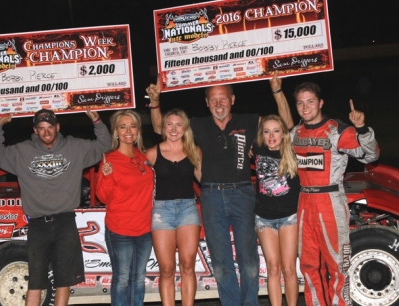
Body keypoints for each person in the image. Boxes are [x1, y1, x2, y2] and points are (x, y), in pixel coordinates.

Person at [146, 78, 290, 306]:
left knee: (250, 263)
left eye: (223, 98)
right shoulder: (197, 125)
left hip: (243, 193)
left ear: (233, 100)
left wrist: (277, 91)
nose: (219, 103)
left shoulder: (249, 120)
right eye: (213, 99)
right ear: (207, 103)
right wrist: (155, 102)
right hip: (211, 195)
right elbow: (159, 127)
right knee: (222, 265)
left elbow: (285, 124)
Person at [271, 74, 380, 306]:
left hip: (330, 201)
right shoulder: (295, 134)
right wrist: (277, 93)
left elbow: (371, 155)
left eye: (310, 101)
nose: (305, 107)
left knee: (338, 263)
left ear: (321, 103)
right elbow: (278, 131)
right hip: (303, 203)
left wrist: (362, 129)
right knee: (309, 265)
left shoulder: (337, 130)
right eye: (300, 103)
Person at [0, 107, 111, 306]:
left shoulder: (74, 147)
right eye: (41, 128)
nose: (46, 132)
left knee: (64, 280)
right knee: (35, 282)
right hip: (38, 224)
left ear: (57, 127)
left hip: (65, 221)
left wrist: (97, 121)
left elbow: (105, 145)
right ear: (35, 130)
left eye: (50, 127)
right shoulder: (22, 151)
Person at [96, 109, 154, 306]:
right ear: (116, 132)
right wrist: (106, 176)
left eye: (133, 126)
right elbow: (103, 197)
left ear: (138, 130)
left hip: (145, 229)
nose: (128, 131)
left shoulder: (143, 157)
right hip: (120, 230)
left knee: (138, 278)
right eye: (123, 127)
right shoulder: (109, 159)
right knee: (122, 278)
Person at [145, 108, 202, 306]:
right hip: (161, 212)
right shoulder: (152, 153)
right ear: (163, 127)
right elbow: (136, 178)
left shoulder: (194, 150)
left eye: (179, 124)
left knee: (188, 266)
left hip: (188, 209)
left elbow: (206, 179)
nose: (174, 129)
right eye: (169, 124)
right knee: (167, 269)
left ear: (185, 127)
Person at [253, 114, 300, 306]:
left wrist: (277, 91)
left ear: (284, 133)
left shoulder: (293, 152)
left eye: (276, 131)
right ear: (261, 134)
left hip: (289, 217)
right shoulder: (256, 149)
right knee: (273, 267)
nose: (271, 136)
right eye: (266, 131)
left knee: (288, 268)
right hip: (264, 218)